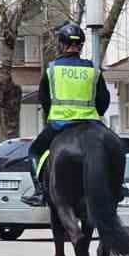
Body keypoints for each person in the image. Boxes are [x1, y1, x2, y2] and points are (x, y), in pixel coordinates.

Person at [21, 22, 111, 207]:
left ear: (61, 44)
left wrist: (51, 116)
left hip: (59, 124)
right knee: (114, 149)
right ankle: (118, 186)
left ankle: (39, 191)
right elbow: (104, 100)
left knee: (35, 151)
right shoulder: (93, 70)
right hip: (91, 123)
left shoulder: (52, 69)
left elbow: (44, 99)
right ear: (81, 46)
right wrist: (94, 114)